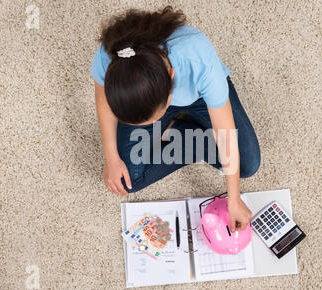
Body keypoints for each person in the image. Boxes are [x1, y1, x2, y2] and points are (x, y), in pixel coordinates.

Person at [91, 6, 260, 231]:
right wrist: (111, 157)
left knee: (248, 165)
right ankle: (185, 137)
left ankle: (186, 134)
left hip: (200, 95)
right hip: (148, 97)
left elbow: (225, 130)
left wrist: (234, 198)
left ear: (172, 80)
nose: (150, 127)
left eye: (152, 121)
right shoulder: (111, 57)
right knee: (126, 179)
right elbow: (103, 102)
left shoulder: (197, 56)